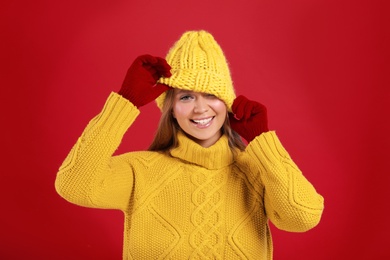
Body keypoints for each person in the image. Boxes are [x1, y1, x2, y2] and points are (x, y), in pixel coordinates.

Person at [55, 30, 324, 259]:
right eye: (185, 97)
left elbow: (302, 217)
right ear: (171, 109)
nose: (200, 109)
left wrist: (263, 141)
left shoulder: (257, 171)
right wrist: (125, 102)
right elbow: (74, 185)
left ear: (226, 103)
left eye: (211, 95)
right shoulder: (140, 170)